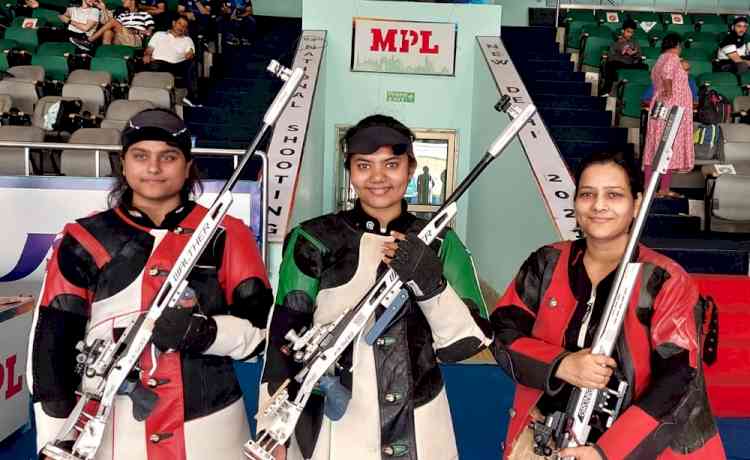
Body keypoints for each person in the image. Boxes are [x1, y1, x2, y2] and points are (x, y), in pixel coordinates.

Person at [28, 108, 274, 459]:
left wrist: (204, 334)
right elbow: (53, 343)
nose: (154, 168)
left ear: (187, 166)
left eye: (168, 157)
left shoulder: (228, 233)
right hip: (113, 428)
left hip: (210, 426)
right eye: (141, 156)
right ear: (124, 164)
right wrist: (55, 438)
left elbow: (263, 334)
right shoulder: (83, 237)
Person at [257, 114, 492, 460]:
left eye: (391, 164)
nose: (378, 178)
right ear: (349, 171)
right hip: (335, 420)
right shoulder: (312, 239)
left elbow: (469, 342)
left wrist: (431, 285)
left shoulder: (442, 243)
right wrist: (272, 424)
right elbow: (283, 338)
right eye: (364, 165)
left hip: (421, 419)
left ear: (411, 169)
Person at [490, 151, 726, 460]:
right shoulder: (546, 262)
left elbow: (679, 379)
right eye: (587, 194)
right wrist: (562, 364)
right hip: (545, 436)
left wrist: (607, 452)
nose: (599, 206)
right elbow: (502, 331)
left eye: (614, 195)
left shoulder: (665, 280)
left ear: (637, 204)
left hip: (637, 449)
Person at [642, 33, 694, 199]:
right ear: (678, 45)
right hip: (671, 109)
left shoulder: (660, 59)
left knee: (655, 146)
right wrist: (670, 91)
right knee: (668, 145)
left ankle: (650, 188)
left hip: (660, 107)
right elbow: (667, 74)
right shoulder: (672, 58)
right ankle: (663, 188)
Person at [144, 17, 200, 107]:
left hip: (177, 65)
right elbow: (149, 49)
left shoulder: (187, 40)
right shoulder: (159, 34)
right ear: (174, 23)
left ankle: (191, 97)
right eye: (180, 24)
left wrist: (190, 54)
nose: (181, 27)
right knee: (153, 64)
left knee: (191, 64)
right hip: (158, 62)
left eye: (184, 26)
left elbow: (190, 53)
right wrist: (147, 55)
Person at [70, 0, 154, 50]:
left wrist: (136, 30)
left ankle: (89, 41)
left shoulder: (145, 15)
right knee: (108, 32)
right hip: (120, 39)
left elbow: (149, 33)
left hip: (135, 40)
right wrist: (103, 8)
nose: (122, 0)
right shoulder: (122, 15)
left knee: (113, 23)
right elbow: (109, 24)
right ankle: (106, 55)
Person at [601, 18, 647, 95]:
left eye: (632, 32)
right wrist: (620, 53)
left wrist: (634, 54)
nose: (630, 34)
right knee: (609, 65)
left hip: (630, 64)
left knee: (644, 66)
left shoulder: (635, 42)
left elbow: (639, 56)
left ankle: (640, 90)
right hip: (619, 64)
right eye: (628, 32)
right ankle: (607, 90)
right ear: (623, 31)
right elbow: (610, 57)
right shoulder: (616, 43)